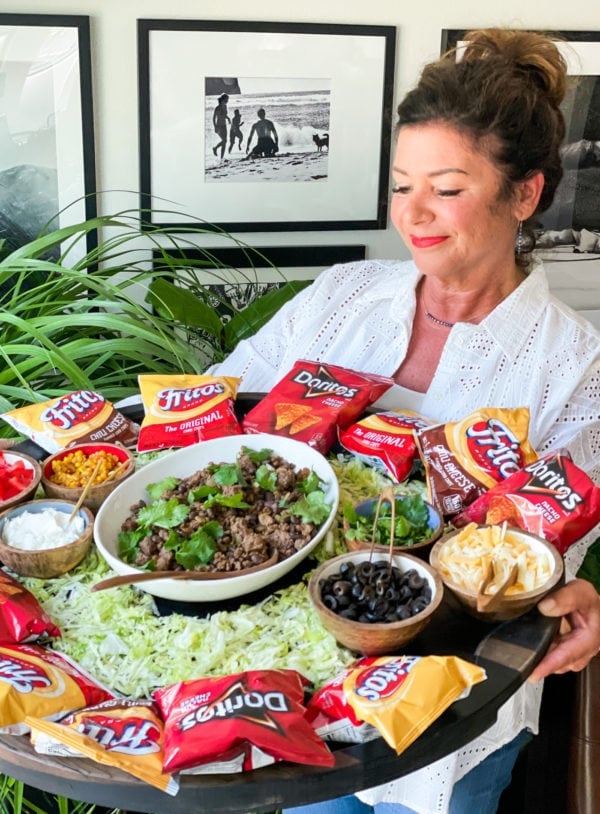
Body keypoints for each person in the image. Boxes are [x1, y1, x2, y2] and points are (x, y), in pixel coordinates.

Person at [209, 28, 600, 814]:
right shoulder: (342, 297)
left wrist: (583, 601)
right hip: (289, 678)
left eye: (447, 188)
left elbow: (544, 555)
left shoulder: (576, 365)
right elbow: (212, 410)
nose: (413, 214)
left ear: (524, 193)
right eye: (401, 184)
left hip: (450, 717)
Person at [212, 93, 230, 159]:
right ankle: (215, 148)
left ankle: (221, 158)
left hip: (224, 125)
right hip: (219, 126)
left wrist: (228, 118)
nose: (227, 101)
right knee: (224, 140)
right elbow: (214, 118)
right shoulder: (217, 108)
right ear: (223, 99)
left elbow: (224, 115)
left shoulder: (225, 106)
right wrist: (215, 126)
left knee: (225, 141)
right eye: (227, 99)